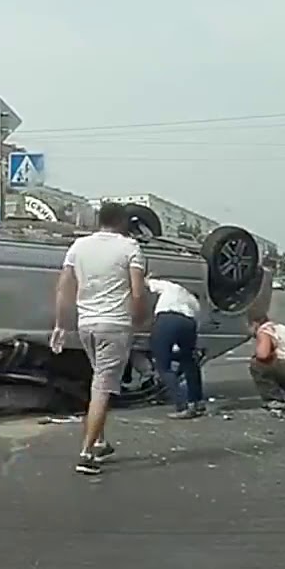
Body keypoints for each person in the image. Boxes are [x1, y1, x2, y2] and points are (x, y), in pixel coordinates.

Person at [51, 202, 148, 475]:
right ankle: (86, 453)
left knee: (99, 381)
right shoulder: (130, 248)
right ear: (122, 222)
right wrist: (140, 320)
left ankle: (101, 442)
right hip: (114, 325)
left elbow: (63, 288)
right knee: (102, 387)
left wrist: (60, 325)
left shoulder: (78, 247)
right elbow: (138, 292)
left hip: (87, 325)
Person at [146, 276, 205, 419]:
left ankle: (182, 405)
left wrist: (146, 278)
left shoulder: (172, 286)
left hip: (166, 320)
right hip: (188, 323)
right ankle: (196, 402)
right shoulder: (194, 302)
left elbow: (145, 284)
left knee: (163, 365)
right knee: (189, 361)